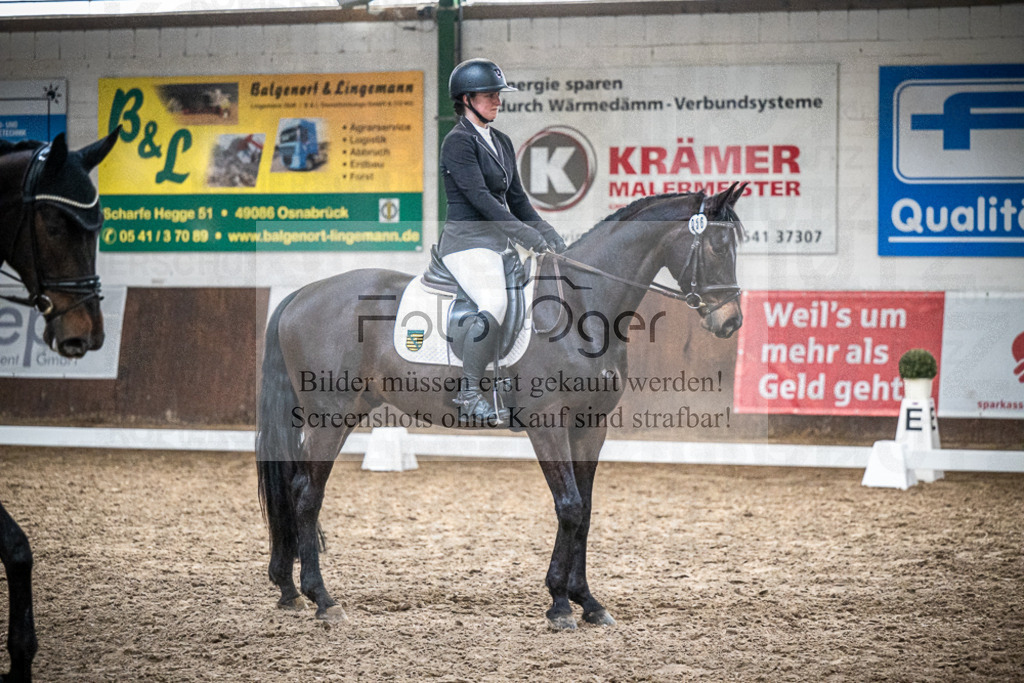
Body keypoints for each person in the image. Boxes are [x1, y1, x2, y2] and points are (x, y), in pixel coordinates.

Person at [439, 58, 567, 425]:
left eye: (498, 94)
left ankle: (514, 390)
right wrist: (525, 236)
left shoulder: (502, 141)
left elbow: (518, 200)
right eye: (490, 95)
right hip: (465, 243)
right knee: (494, 301)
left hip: (497, 246)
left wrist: (547, 232)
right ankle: (468, 391)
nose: (498, 101)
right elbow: (480, 200)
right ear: (466, 99)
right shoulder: (457, 143)